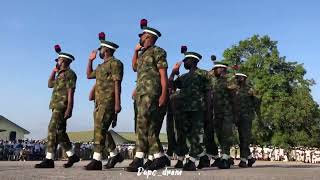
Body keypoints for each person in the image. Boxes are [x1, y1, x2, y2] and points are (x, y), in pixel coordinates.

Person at [126, 19, 169, 172]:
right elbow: (134, 67)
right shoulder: (143, 53)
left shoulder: (158, 51)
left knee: (143, 123)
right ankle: (158, 156)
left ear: (149, 37)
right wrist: (135, 51)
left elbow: (163, 74)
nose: (140, 36)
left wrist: (164, 93)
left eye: (143, 35)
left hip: (152, 92)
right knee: (144, 124)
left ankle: (139, 158)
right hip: (141, 92)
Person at [35, 45, 79, 168]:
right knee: (60, 133)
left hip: (62, 106)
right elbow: (50, 84)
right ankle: (72, 155)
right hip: (55, 105)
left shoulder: (70, 74)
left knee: (51, 129)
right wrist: (54, 71)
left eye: (58, 60)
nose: (57, 63)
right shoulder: (59, 74)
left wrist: (69, 108)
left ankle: (49, 159)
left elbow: (71, 91)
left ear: (63, 61)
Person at [85, 32, 124, 170]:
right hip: (98, 102)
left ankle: (96, 160)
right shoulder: (101, 66)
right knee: (102, 129)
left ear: (106, 50)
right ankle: (115, 154)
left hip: (108, 101)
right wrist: (90, 60)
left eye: (101, 49)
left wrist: (117, 103)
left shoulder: (115, 63)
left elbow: (117, 84)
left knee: (100, 128)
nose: (99, 51)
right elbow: (89, 75)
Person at [169, 49, 211, 171]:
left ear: (193, 61)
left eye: (186, 60)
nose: (184, 62)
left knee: (195, 134)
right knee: (185, 134)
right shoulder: (184, 77)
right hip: (184, 110)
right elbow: (171, 85)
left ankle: (192, 161)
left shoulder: (203, 74)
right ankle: (202, 157)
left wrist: (208, 111)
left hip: (198, 109)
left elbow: (208, 92)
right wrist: (173, 72)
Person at [233, 73, 260, 167]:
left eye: (239, 77)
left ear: (244, 78)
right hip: (237, 116)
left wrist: (253, 97)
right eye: (236, 77)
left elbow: (257, 101)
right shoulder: (234, 89)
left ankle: (243, 160)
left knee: (245, 138)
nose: (237, 79)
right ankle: (250, 158)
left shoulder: (249, 89)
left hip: (246, 116)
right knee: (241, 138)